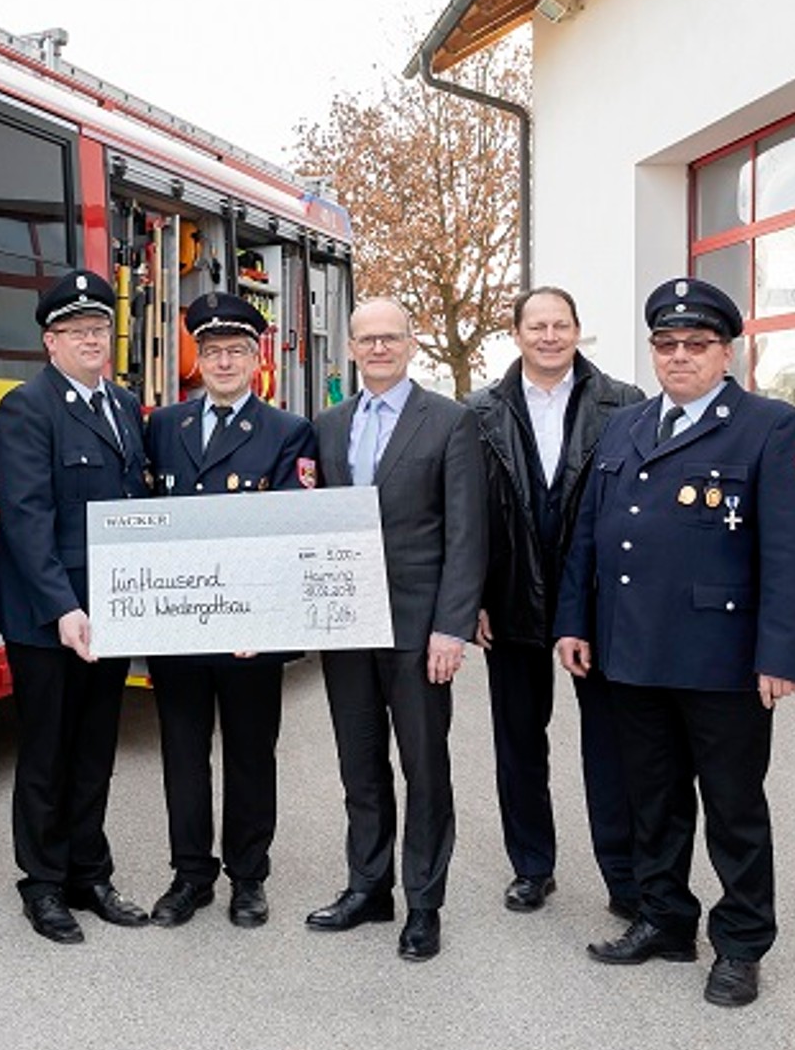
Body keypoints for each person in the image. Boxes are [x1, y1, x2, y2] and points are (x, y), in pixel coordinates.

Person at [554, 277, 795, 1008]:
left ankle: (740, 944)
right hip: (631, 652)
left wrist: (781, 655)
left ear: (726, 352)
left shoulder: (771, 428)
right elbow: (591, 532)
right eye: (666, 344)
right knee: (654, 799)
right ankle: (666, 919)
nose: (679, 356)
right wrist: (575, 621)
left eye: (695, 345)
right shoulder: (627, 424)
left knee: (734, 807)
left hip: (723, 659)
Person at [306, 298, 486, 962]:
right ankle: (368, 887)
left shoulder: (450, 423)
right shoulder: (327, 426)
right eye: (367, 339)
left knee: (424, 767)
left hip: (418, 628)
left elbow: (467, 533)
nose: (379, 349)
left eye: (391, 338)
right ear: (350, 348)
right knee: (360, 764)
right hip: (346, 622)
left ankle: (424, 903)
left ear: (412, 344)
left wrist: (452, 628)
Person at [143, 292, 318, 931]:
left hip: (250, 632)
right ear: (197, 358)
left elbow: (289, 534)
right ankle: (190, 876)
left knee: (250, 755)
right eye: (212, 350)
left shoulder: (286, 432)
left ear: (255, 358)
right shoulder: (164, 426)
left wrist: (264, 617)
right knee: (183, 757)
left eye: (236, 350)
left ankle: (248, 877)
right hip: (178, 631)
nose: (223, 362)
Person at [0, 268, 153, 944]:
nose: (92, 340)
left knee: (94, 750)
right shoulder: (30, 408)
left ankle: (90, 872)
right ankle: (43, 884)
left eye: (99, 329)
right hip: (49, 616)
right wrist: (63, 607)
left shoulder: (120, 406)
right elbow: (27, 518)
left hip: (109, 609)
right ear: (49, 342)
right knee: (48, 752)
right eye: (76, 331)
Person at [466, 287, 642, 918]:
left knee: (611, 744)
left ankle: (624, 877)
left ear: (577, 331)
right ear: (516, 334)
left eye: (560, 325)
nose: (548, 336)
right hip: (509, 598)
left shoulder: (623, 403)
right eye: (536, 325)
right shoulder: (480, 410)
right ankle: (532, 867)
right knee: (518, 740)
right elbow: (472, 517)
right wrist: (475, 601)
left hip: (594, 604)